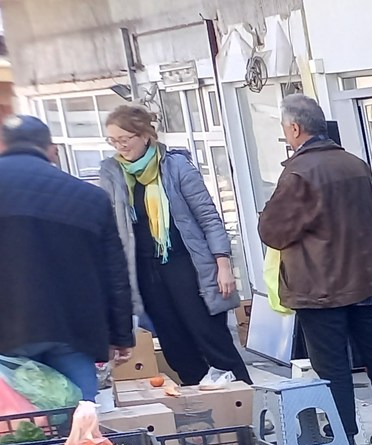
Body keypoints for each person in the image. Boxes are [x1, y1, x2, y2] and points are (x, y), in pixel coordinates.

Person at [259, 94, 372, 445]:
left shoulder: (298, 172)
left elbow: (273, 231)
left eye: (285, 129)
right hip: (365, 279)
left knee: (332, 365)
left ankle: (342, 434)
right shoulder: (354, 163)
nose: (286, 136)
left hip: (320, 285)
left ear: (295, 128)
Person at [100, 104, 250, 387]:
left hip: (186, 264)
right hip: (146, 271)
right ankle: (205, 404)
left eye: (125, 139)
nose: (120, 147)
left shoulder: (176, 166)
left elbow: (208, 216)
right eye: (113, 141)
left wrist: (223, 263)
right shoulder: (113, 174)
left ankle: (245, 401)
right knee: (174, 344)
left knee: (210, 336)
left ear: (144, 135)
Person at [0, 115, 132, 400]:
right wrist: (120, 335)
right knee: (80, 424)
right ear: (50, 149)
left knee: (16, 429)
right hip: (73, 330)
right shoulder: (90, 198)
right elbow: (115, 273)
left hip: (6, 333)